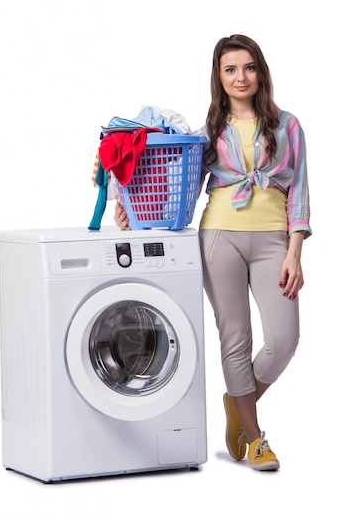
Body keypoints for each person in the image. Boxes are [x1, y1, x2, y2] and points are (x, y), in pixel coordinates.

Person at [114, 34, 311, 471]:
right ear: (219, 79)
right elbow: (168, 179)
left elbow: (299, 194)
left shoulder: (288, 125)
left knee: (284, 339)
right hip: (219, 236)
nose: (241, 77)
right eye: (230, 70)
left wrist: (295, 252)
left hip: (273, 242)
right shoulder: (209, 133)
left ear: (260, 71)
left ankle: (237, 403)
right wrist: (128, 208)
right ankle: (256, 438)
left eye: (248, 67)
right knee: (235, 338)